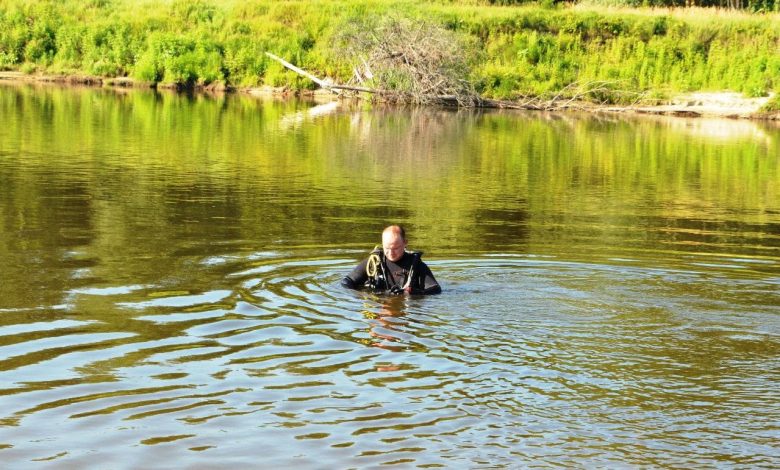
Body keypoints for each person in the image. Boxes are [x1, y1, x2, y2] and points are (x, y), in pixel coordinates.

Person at [342, 225, 441, 295]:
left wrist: (413, 293)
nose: (391, 253)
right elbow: (347, 282)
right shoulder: (373, 262)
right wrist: (362, 295)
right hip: (379, 304)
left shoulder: (416, 265)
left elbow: (435, 290)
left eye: (396, 248)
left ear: (405, 243)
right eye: (387, 248)